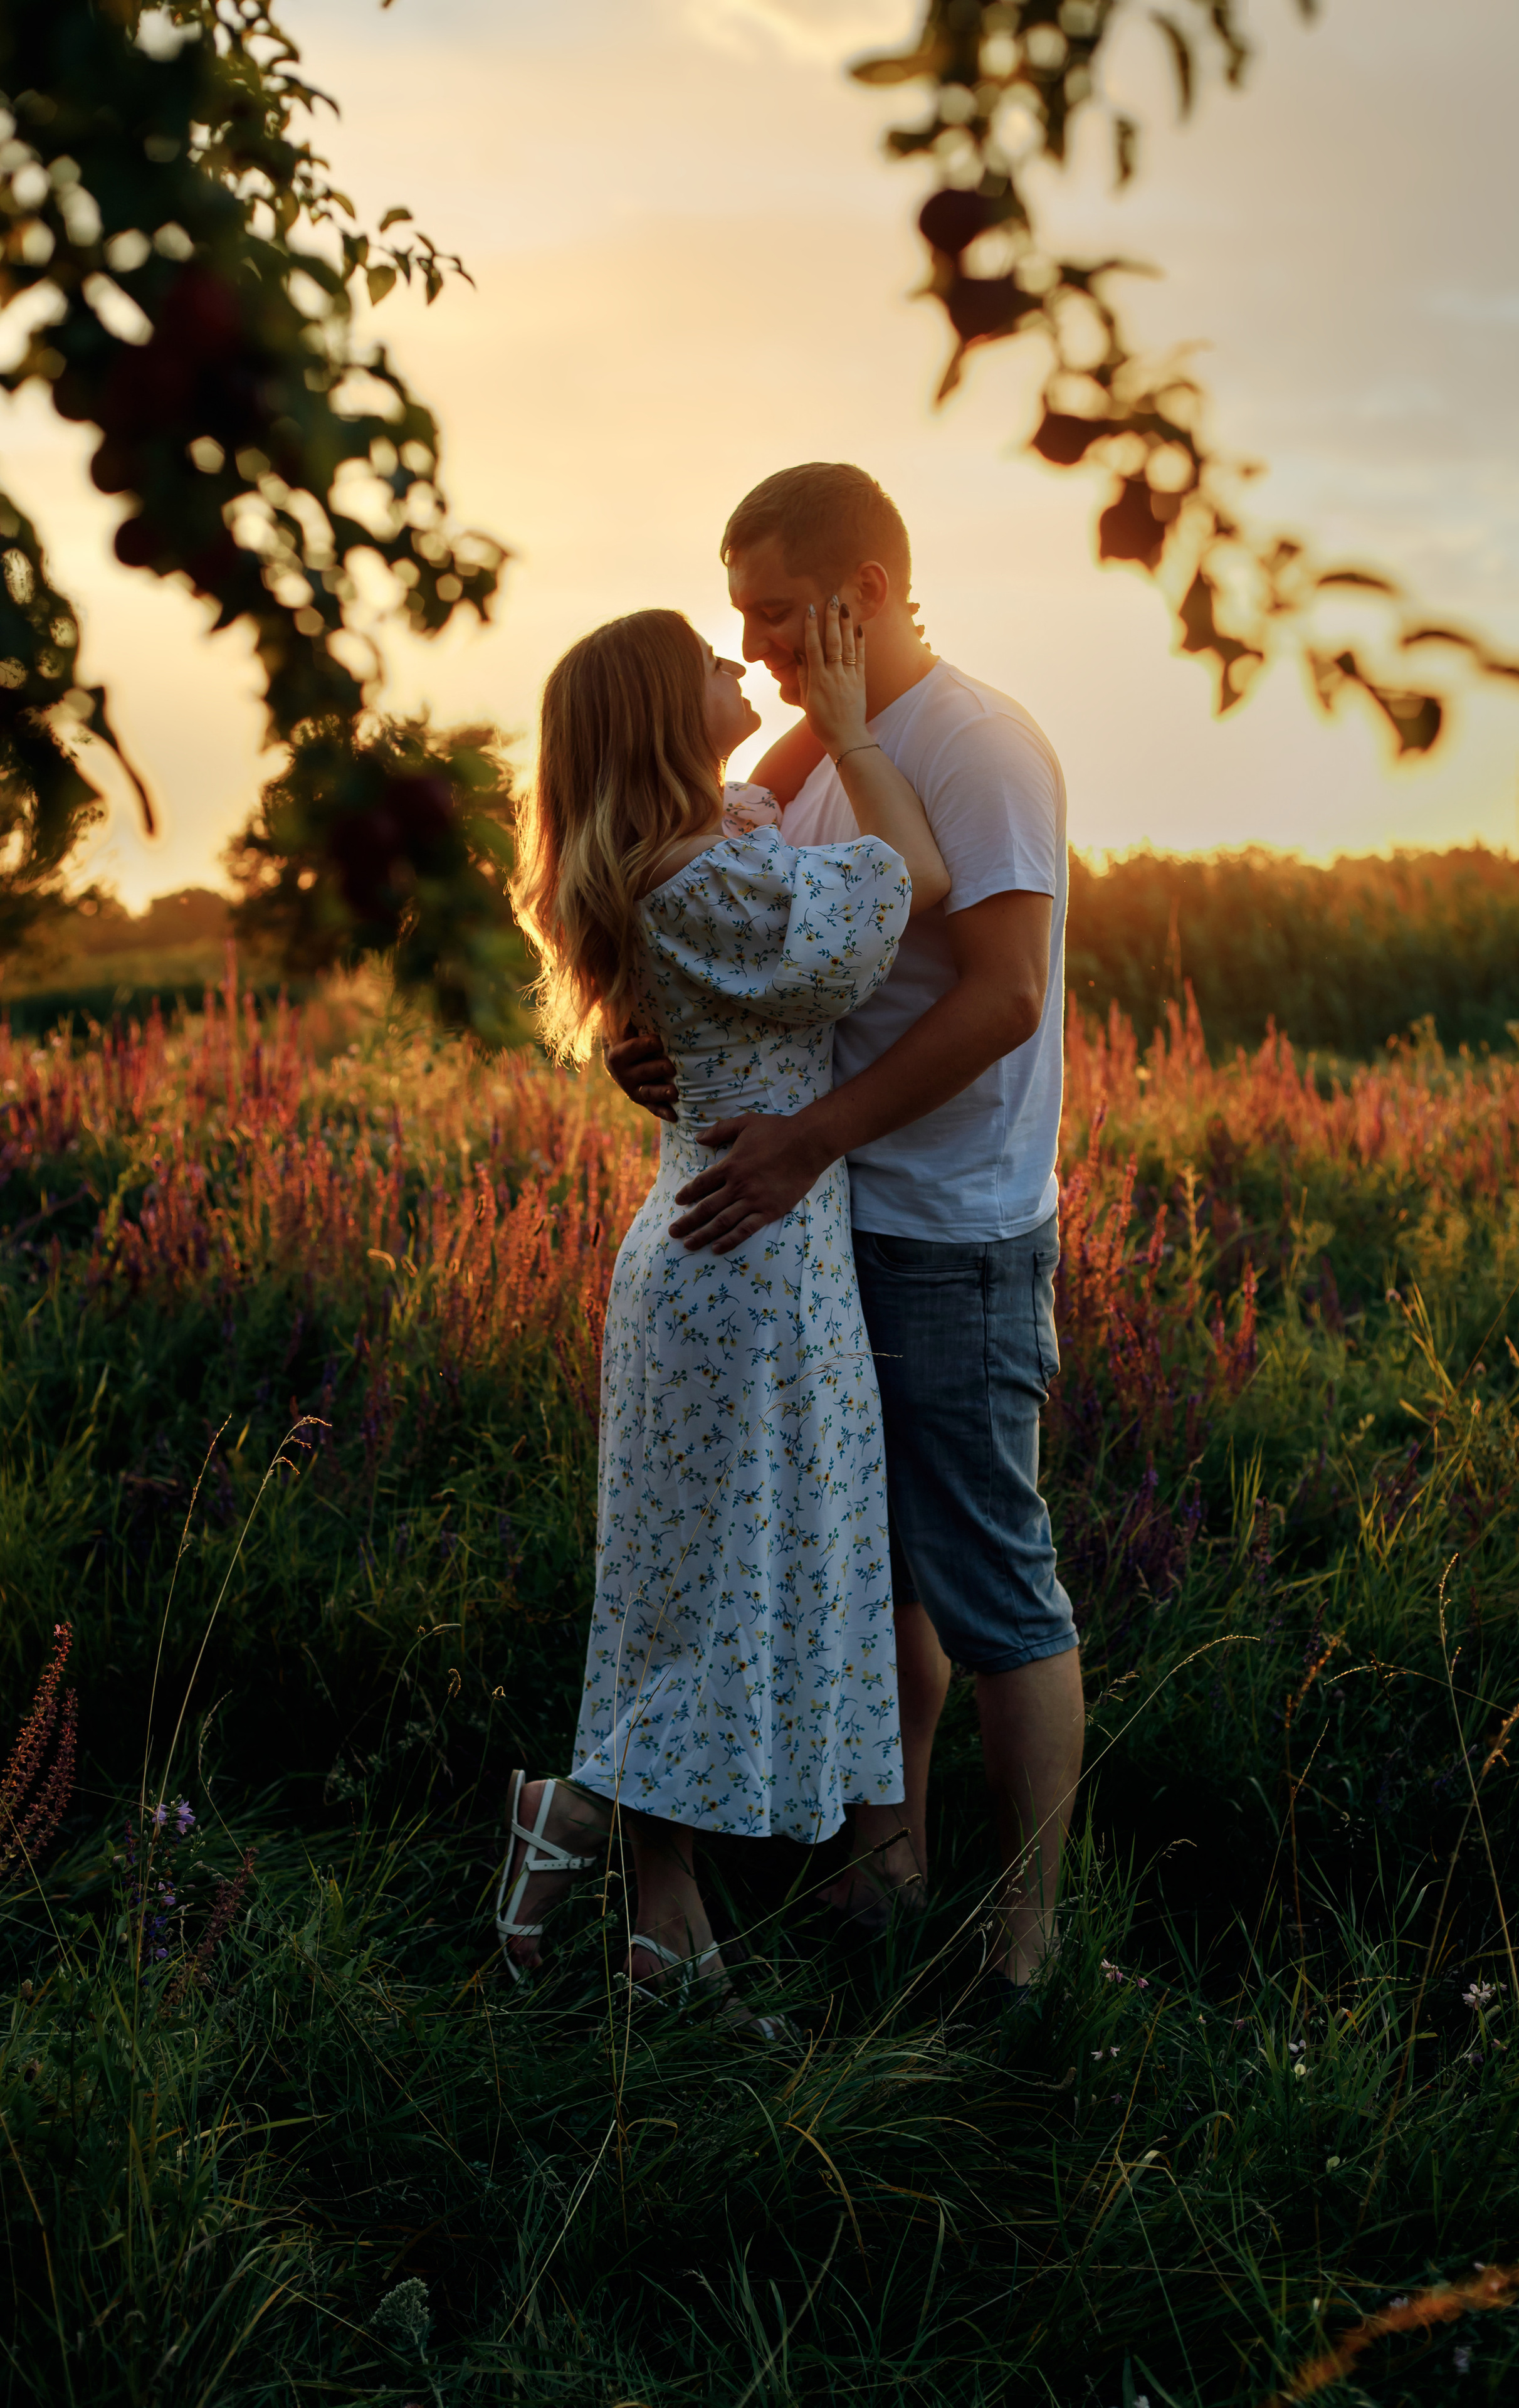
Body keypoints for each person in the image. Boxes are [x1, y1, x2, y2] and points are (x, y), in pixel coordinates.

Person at [607, 463, 1085, 1993]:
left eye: (766, 609)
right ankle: (885, 1872)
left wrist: (810, 1138)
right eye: (737, 613)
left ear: (859, 593)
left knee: (993, 1582)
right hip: (818, 1226)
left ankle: (1024, 1933)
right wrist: (659, 1052)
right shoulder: (821, 758)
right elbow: (743, 951)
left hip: (946, 1226)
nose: (746, 645)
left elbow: (1004, 998)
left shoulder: (977, 743)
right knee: (865, 1576)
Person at [494, 598, 951, 2022]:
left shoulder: (720, 838)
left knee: (697, 1583)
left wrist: (825, 682)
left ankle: (663, 1934)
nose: (733, 668)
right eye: (707, 660)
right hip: (738, 1267)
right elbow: (912, 878)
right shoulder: (706, 883)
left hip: (742, 1246)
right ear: (652, 718)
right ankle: (572, 1809)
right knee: (714, 1587)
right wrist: (861, 720)